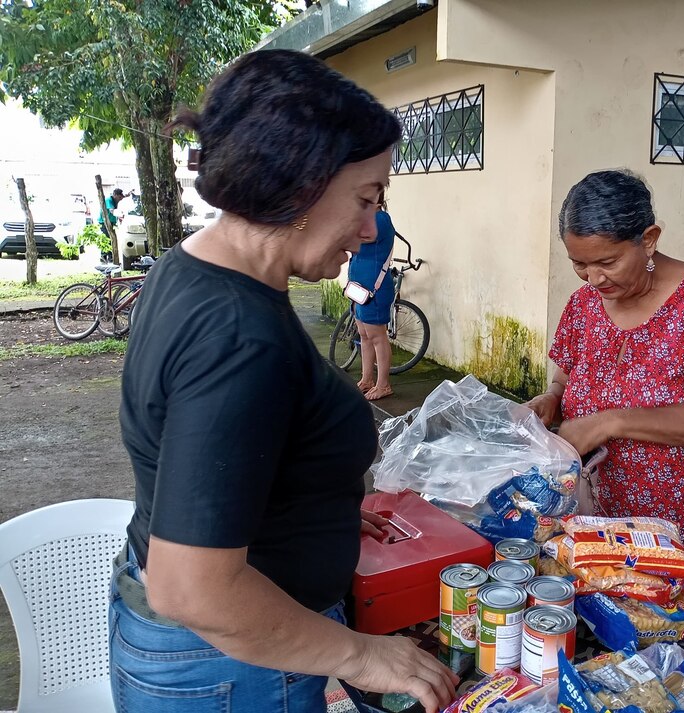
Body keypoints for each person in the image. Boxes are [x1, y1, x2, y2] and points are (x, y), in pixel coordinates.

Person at [113, 50, 458, 713]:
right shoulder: (240, 336)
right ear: (301, 184)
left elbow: (210, 453)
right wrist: (362, 652)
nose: (367, 230)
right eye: (366, 199)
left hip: (200, 648)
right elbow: (194, 590)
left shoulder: (193, 267)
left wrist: (312, 497)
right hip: (228, 660)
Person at [526, 169, 684, 586]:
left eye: (608, 262)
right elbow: (564, 377)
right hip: (601, 526)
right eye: (579, 264)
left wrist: (609, 421)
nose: (594, 278)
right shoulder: (583, 305)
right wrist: (552, 399)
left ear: (648, 239)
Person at [348, 198, 397, 400]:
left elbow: (358, 237)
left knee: (377, 336)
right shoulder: (363, 218)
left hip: (375, 288)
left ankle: (383, 384)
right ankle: (367, 379)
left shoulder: (381, 219)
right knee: (364, 335)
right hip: (359, 288)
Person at [98, 187, 124, 262]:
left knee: (111, 239)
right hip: (104, 222)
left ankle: (109, 256)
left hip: (111, 222)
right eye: (119, 197)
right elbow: (112, 210)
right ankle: (104, 256)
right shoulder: (109, 200)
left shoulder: (115, 201)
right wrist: (119, 215)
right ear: (115, 195)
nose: (120, 199)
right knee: (107, 239)